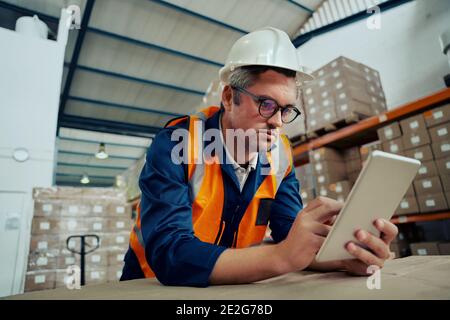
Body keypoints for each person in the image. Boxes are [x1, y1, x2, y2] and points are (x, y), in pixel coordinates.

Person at [121, 27, 398, 286]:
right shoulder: (176, 144)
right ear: (229, 97)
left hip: (228, 288)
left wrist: (344, 256)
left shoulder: (280, 156)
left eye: (286, 109)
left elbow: (291, 239)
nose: (278, 122)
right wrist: (280, 257)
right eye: (266, 104)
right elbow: (169, 253)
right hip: (149, 287)